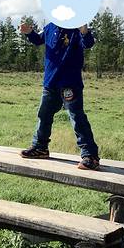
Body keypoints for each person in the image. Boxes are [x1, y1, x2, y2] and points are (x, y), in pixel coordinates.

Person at [20, 21, 100, 170]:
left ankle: (90, 156)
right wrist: (29, 33)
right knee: (44, 114)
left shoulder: (76, 28)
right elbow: (38, 40)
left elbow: (88, 43)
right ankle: (40, 148)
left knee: (77, 117)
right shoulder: (50, 27)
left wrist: (84, 31)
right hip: (50, 82)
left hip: (70, 83)